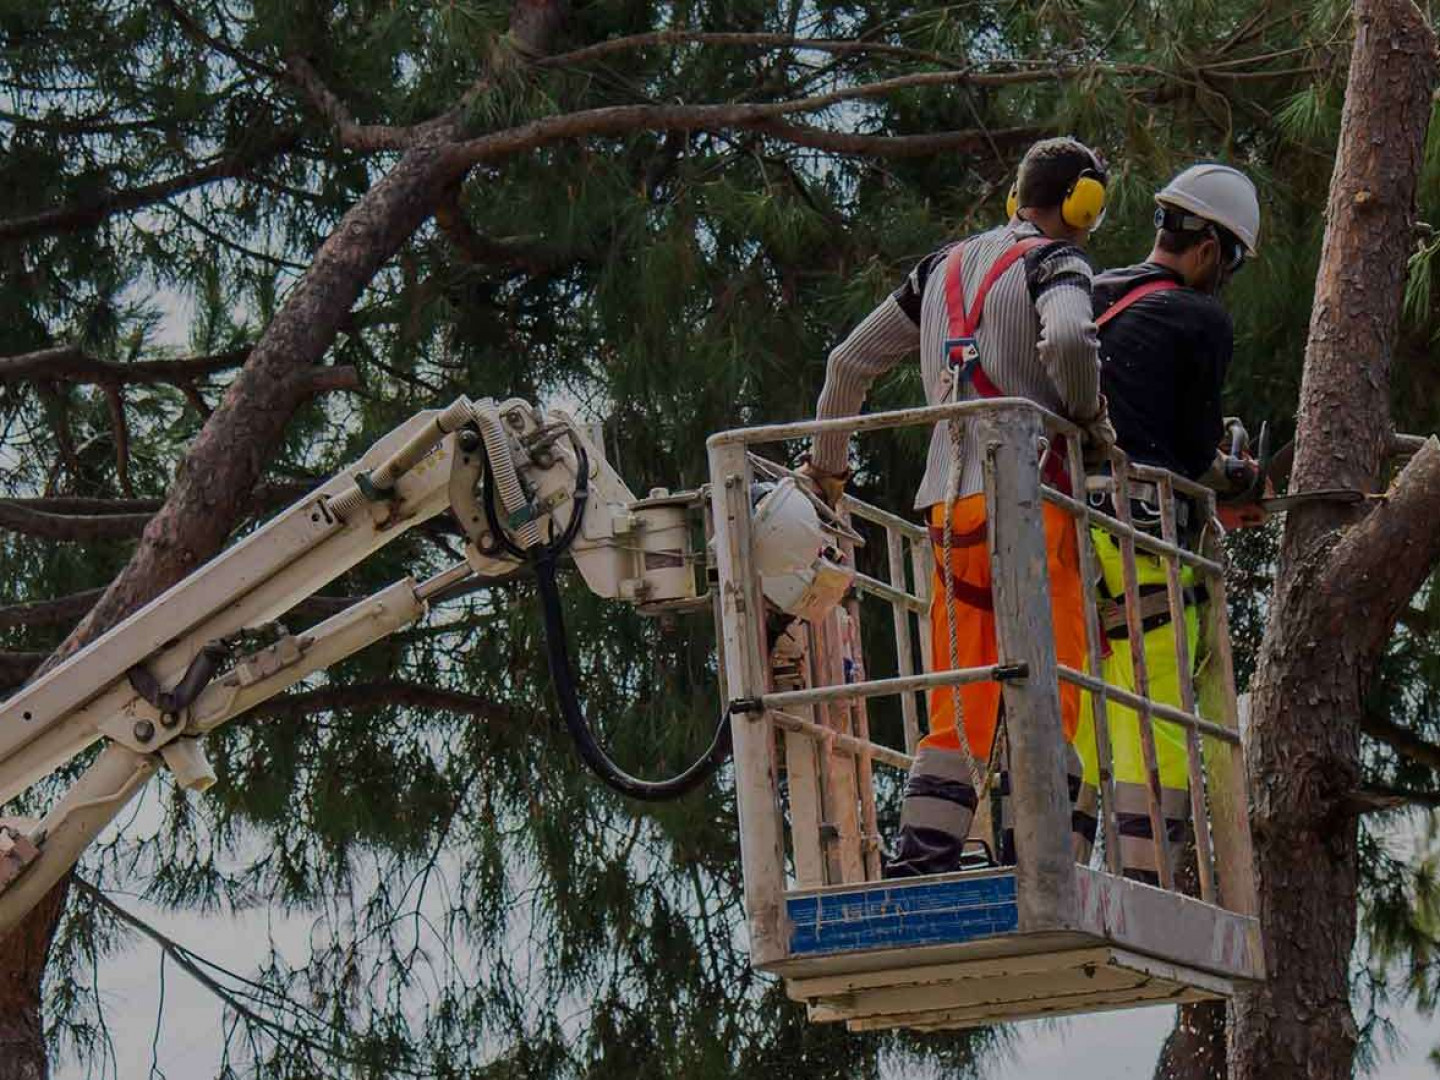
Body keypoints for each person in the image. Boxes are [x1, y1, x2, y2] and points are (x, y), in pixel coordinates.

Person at [799, 136, 1115, 877]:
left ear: (1016, 195)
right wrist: (1088, 415)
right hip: (1035, 497)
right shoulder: (1056, 261)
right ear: (1082, 204)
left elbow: (847, 364)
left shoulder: (938, 270)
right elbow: (1070, 335)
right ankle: (1040, 854)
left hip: (946, 507)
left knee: (962, 689)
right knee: (1053, 672)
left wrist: (828, 475)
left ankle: (928, 852)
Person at [1072, 163, 1261, 883]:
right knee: (1157, 700)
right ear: (1212, 250)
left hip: (1066, 524)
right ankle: (1146, 874)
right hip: (1141, 534)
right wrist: (1238, 478)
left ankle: (1056, 850)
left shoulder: (1091, 292)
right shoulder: (1200, 317)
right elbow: (1188, 451)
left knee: (1081, 692)